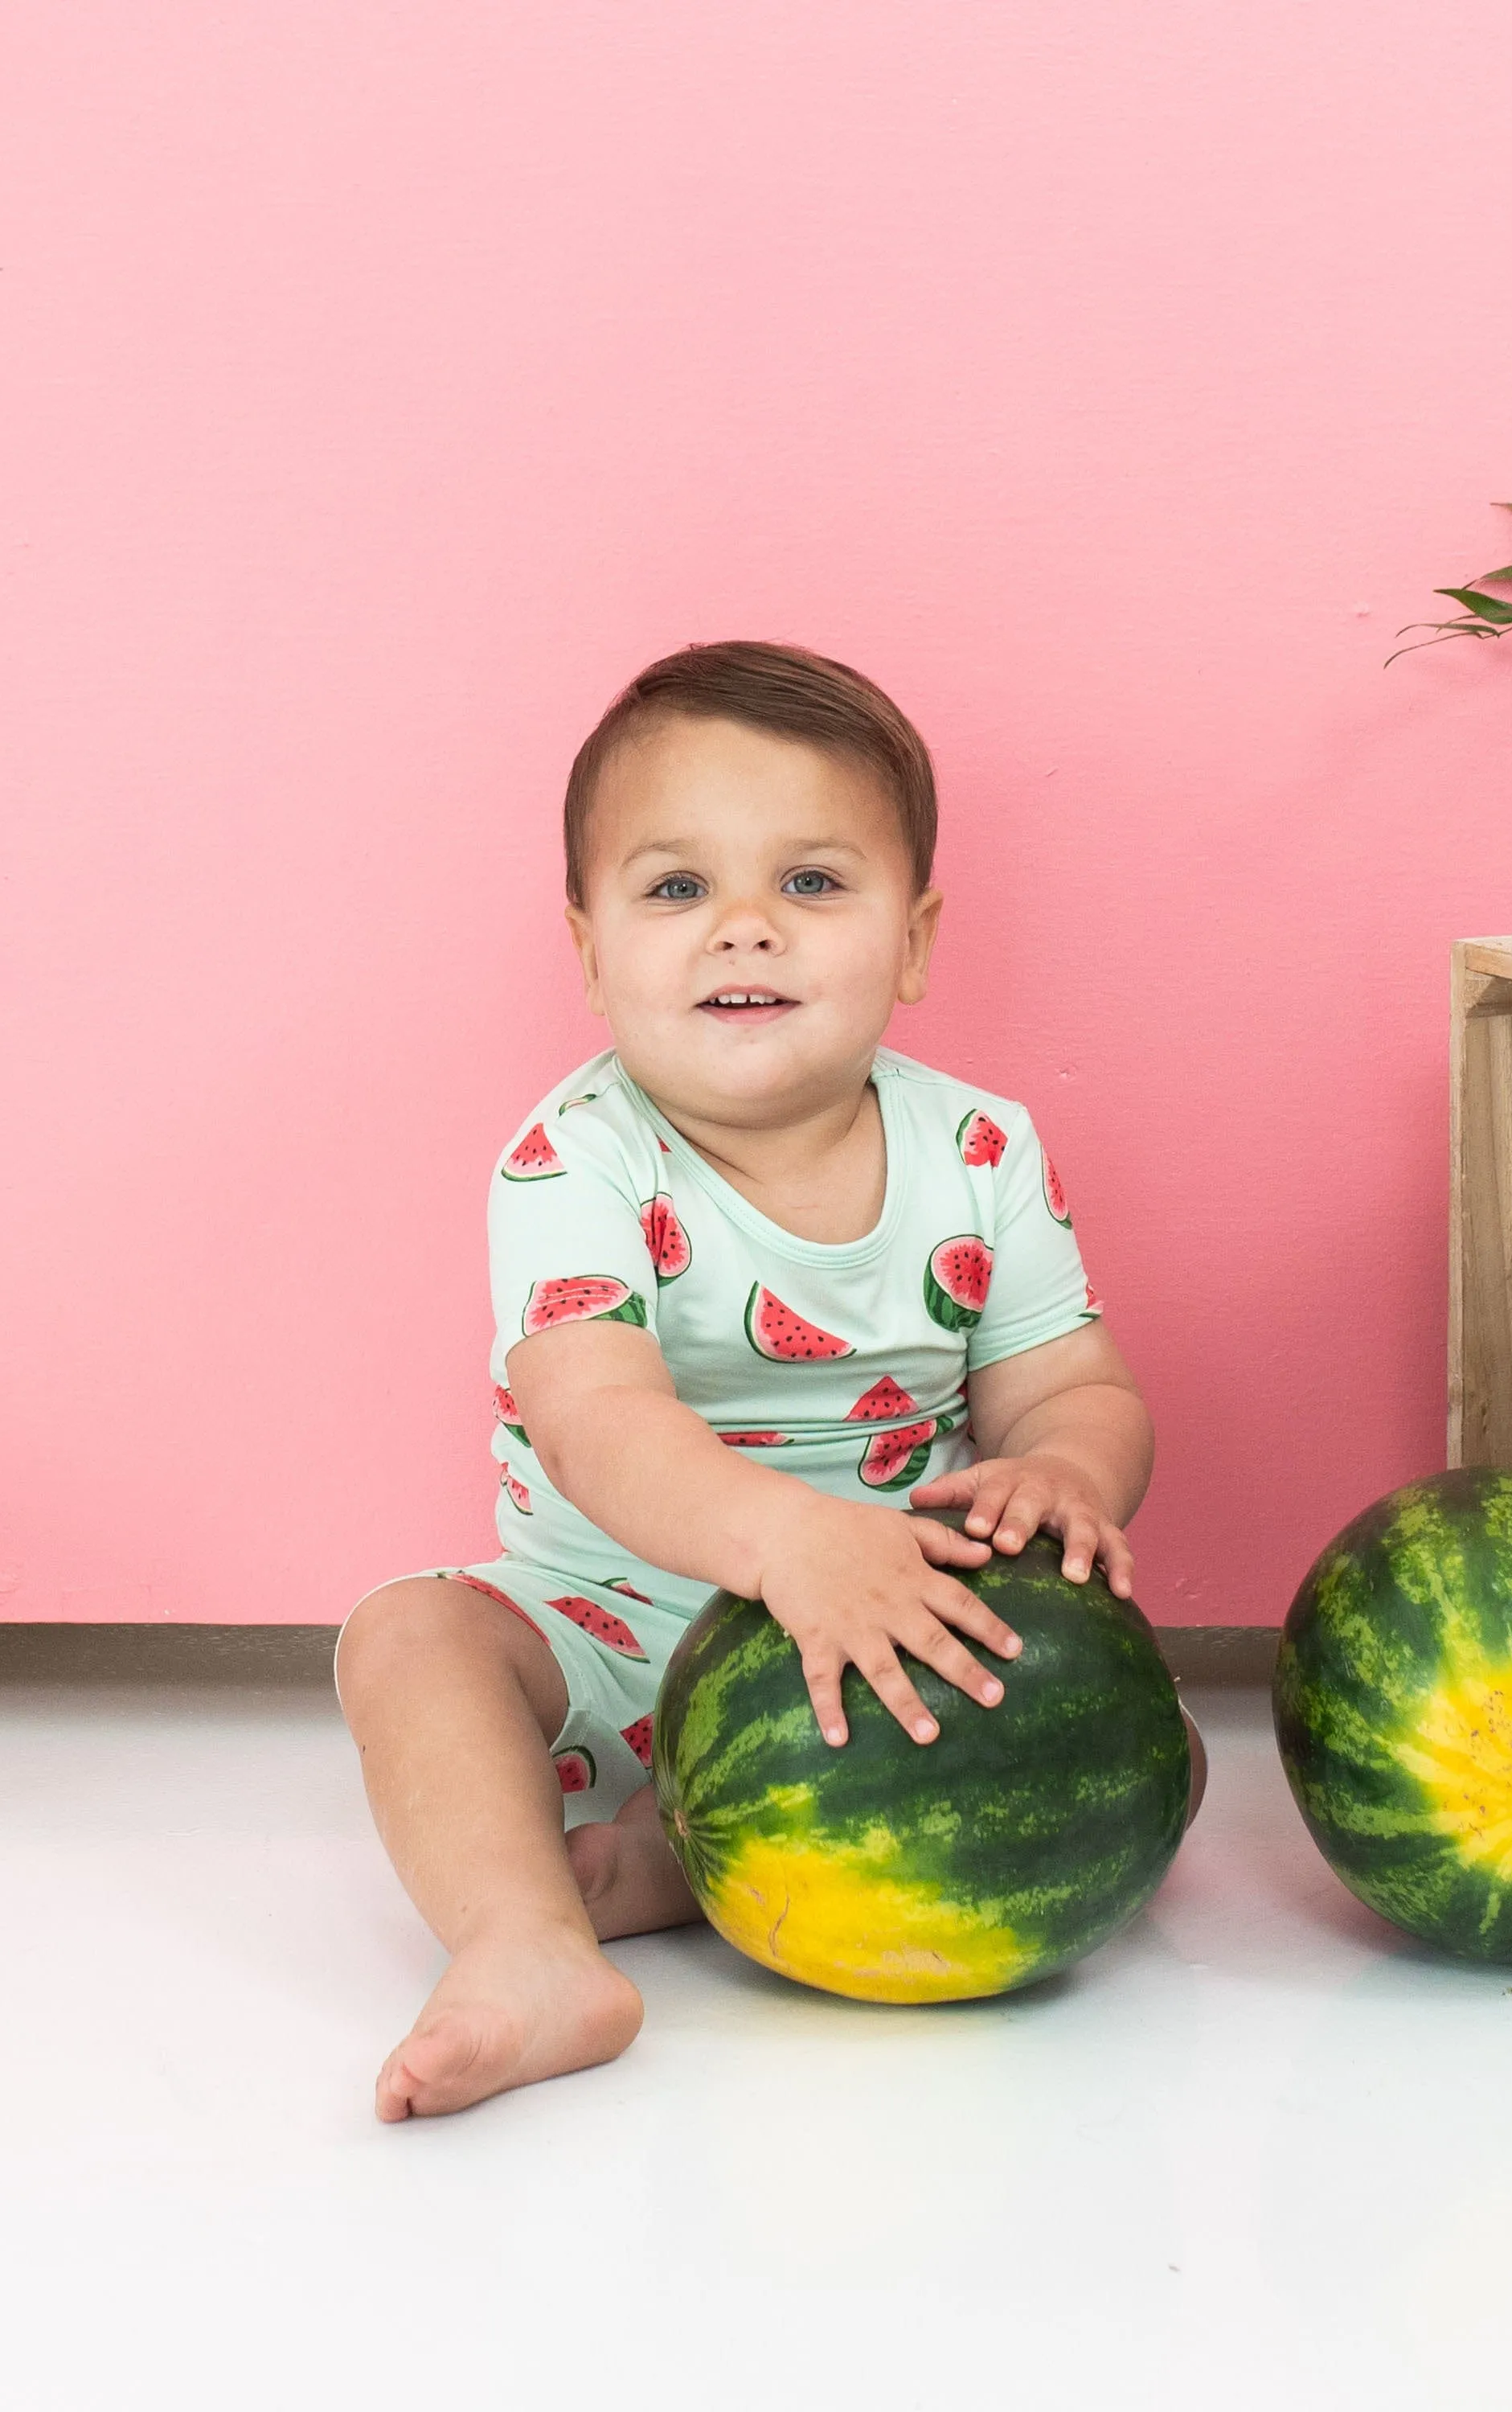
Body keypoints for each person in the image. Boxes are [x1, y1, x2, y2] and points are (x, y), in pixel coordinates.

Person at [336, 640, 1186, 2120]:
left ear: (914, 941)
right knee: (408, 1638)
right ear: (591, 954)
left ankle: (681, 1860)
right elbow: (596, 1417)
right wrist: (786, 1540)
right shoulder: (576, 1161)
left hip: (890, 1638)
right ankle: (528, 1945)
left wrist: (1065, 1472)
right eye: (676, 890)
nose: (744, 931)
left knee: (1115, 1724)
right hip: (602, 1629)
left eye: (810, 884)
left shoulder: (982, 1154)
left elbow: (1076, 1388)